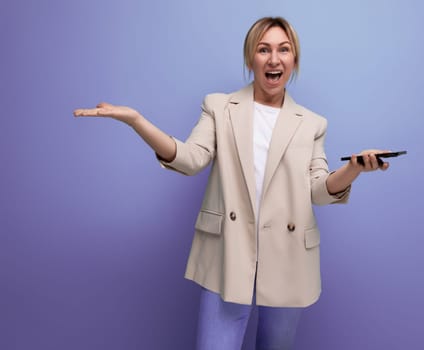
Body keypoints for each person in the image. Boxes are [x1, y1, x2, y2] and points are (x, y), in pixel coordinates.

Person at [74, 16, 389, 350]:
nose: (274, 59)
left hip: (289, 256)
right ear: (249, 57)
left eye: (284, 50)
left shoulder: (312, 123)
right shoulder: (219, 106)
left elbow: (317, 190)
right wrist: (137, 121)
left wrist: (354, 168)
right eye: (263, 49)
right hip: (230, 252)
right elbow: (189, 158)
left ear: (294, 59)